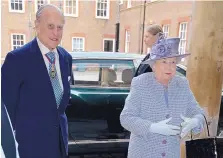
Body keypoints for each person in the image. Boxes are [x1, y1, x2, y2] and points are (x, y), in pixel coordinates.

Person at [1, 4, 72, 158]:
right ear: (37, 25)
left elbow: (61, 106)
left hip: (59, 147)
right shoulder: (17, 60)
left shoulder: (66, 58)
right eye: (51, 26)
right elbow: (5, 113)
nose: (56, 33)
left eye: (60, 27)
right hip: (29, 149)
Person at [120, 37, 205, 157]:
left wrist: (195, 121)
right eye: (164, 61)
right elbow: (126, 118)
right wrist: (152, 127)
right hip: (144, 154)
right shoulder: (140, 83)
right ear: (153, 65)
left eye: (173, 62)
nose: (169, 67)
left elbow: (199, 112)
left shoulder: (182, 84)